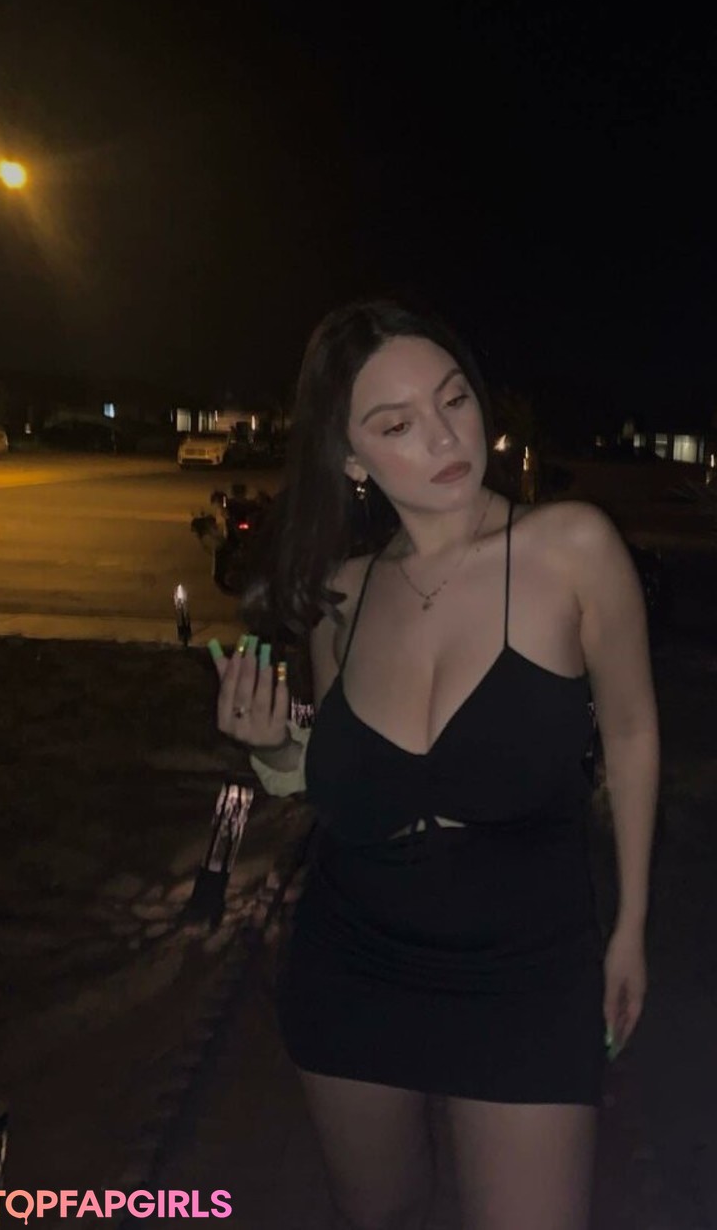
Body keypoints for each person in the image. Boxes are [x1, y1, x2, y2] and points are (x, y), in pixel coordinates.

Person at [209, 300, 659, 1230]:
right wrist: (274, 746)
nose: (446, 437)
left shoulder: (570, 547)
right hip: (353, 963)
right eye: (397, 424)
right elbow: (340, 783)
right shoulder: (342, 596)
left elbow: (631, 731)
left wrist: (631, 925)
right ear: (349, 458)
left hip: (527, 969)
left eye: (453, 400)